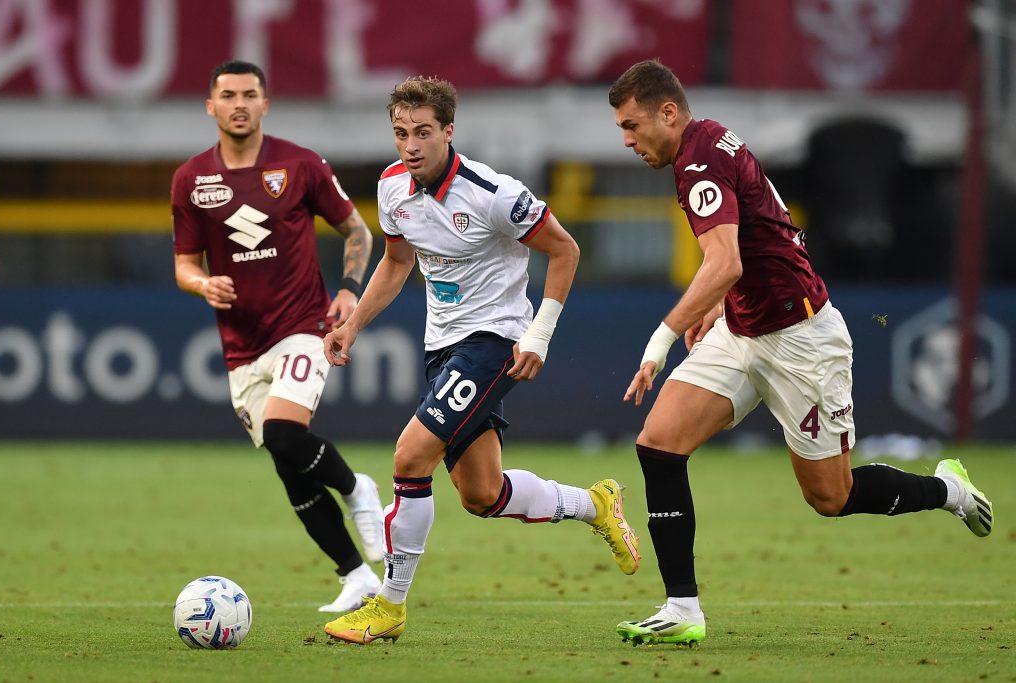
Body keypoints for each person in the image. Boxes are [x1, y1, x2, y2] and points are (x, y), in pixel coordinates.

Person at [606, 59, 993, 647]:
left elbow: (727, 261)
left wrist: (661, 340)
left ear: (668, 111)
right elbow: (770, 229)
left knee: (829, 498)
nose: (628, 140)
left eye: (633, 126)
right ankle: (683, 608)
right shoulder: (708, 138)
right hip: (743, 330)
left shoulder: (700, 158)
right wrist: (720, 304)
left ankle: (949, 490)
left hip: (803, 341)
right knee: (659, 445)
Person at [321, 76, 640, 645]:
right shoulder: (393, 188)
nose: (411, 145)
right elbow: (395, 264)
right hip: (441, 347)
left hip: (495, 341)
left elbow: (564, 250)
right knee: (482, 494)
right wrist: (353, 325)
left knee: (410, 455)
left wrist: (539, 333)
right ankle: (595, 503)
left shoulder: (493, 193)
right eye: (400, 133)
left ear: (448, 131)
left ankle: (388, 606)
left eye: (423, 132)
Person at [171, 60, 385, 614]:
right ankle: (356, 575)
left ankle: (358, 487)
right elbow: (183, 265)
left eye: (249, 94)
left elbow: (356, 228)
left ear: (266, 105)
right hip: (241, 347)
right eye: (227, 95)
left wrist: (349, 289)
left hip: (302, 326)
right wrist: (202, 284)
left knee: (287, 435)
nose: (238, 103)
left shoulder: (300, 164)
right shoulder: (192, 179)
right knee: (286, 462)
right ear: (210, 106)